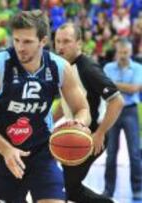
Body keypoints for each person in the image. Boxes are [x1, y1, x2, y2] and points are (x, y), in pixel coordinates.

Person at [0, 10, 91, 203]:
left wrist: (78, 124)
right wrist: (6, 149)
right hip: (0, 152)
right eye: (16, 40)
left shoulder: (59, 67)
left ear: (43, 41)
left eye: (28, 42)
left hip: (41, 150)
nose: (20, 47)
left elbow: (82, 108)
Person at [54, 23, 124, 203]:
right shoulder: (64, 67)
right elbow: (65, 105)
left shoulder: (87, 68)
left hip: (90, 135)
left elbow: (117, 101)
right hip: (72, 134)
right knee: (71, 189)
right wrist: (47, 122)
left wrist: (100, 133)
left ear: (79, 43)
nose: (61, 46)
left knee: (65, 187)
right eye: (58, 41)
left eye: (67, 41)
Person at [102, 37, 142, 200]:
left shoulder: (138, 67)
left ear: (131, 52)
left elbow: (134, 89)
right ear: (116, 52)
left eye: (126, 52)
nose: (123, 55)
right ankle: (108, 190)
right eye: (120, 52)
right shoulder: (107, 67)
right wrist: (117, 86)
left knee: (134, 153)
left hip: (130, 111)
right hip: (112, 111)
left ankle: (137, 189)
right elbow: (103, 89)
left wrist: (113, 84)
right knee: (111, 153)